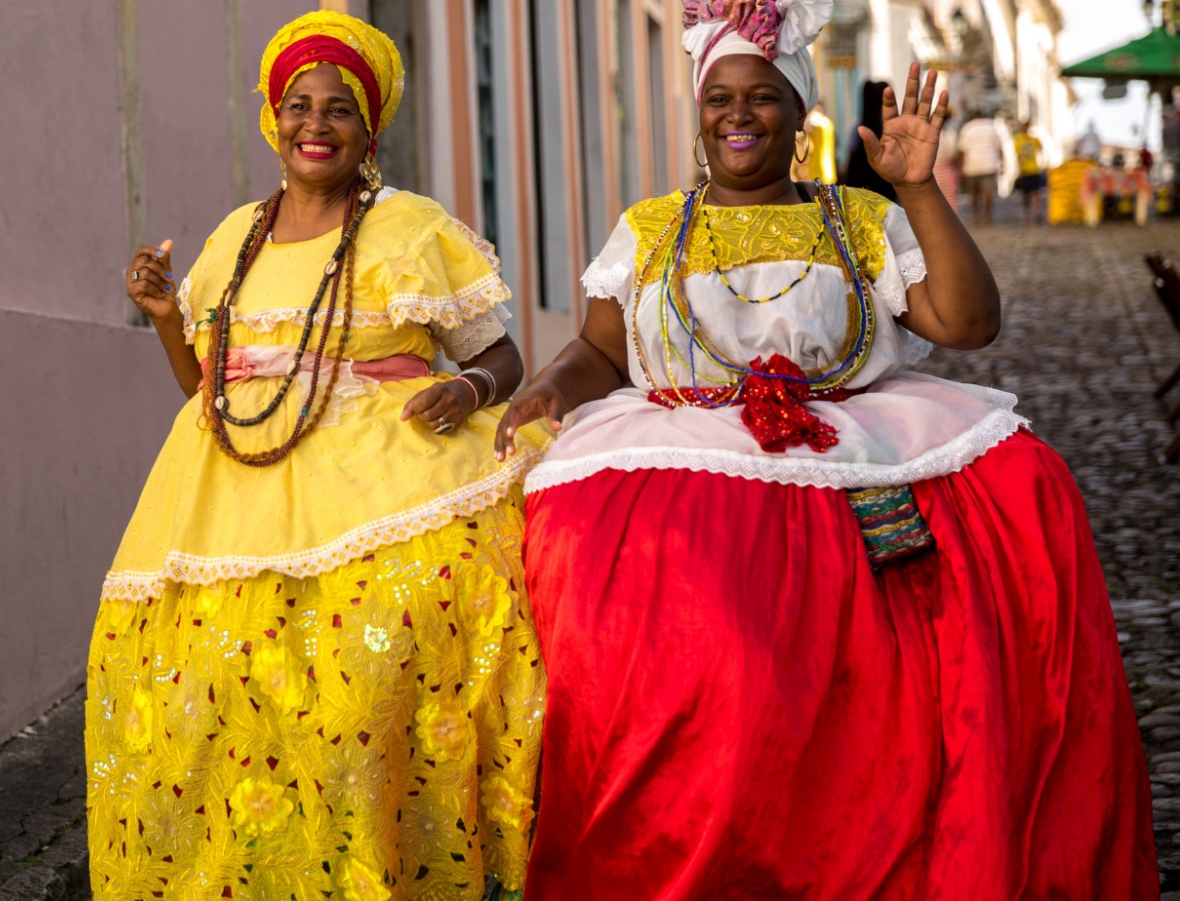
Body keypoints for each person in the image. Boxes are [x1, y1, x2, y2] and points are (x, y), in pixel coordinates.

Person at [494, 0, 1157, 894]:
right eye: (719, 96)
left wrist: (916, 188)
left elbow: (969, 323)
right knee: (683, 645)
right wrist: (550, 386)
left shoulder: (855, 221)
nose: (737, 114)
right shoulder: (648, 230)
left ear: (796, 113)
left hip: (847, 441)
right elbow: (603, 351)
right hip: (685, 453)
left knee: (1012, 502)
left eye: (760, 96)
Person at [85, 12, 547, 900]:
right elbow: (203, 387)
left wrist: (471, 390)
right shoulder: (230, 241)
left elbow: (501, 355)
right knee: (213, 690)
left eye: (339, 110)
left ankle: (388, 866)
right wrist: (159, 315)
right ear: (274, 119)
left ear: (368, 131)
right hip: (230, 485)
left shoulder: (411, 227)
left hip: (387, 476)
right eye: (299, 106)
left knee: (374, 683)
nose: (316, 124)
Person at [843, 79, 898, 201]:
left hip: (861, 189)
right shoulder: (889, 128)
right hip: (885, 188)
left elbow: (851, 157)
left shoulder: (857, 126)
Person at [957, 109, 1006, 224]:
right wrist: (1002, 164)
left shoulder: (967, 128)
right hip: (990, 163)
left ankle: (976, 216)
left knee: (973, 193)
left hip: (972, 165)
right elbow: (1000, 148)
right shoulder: (992, 126)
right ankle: (987, 216)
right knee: (988, 191)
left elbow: (962, 150)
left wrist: (960, 166)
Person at [790, 99, 836, 184]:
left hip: (816, 168)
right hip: (829, 168)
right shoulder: (828, 122)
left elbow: (800, 135)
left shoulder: (813, 121)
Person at [1013, 118, 1047, 223]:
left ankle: (1037, 213)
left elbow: (1042, 151)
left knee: (1035, 193)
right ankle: (1026, 215)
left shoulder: (1034, 139)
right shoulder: (1018, 140)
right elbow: (1018, 156)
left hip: (1034, 169)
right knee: (1026, 195)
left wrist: (1043, 164)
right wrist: (1020, 168)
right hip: (1025, 170)